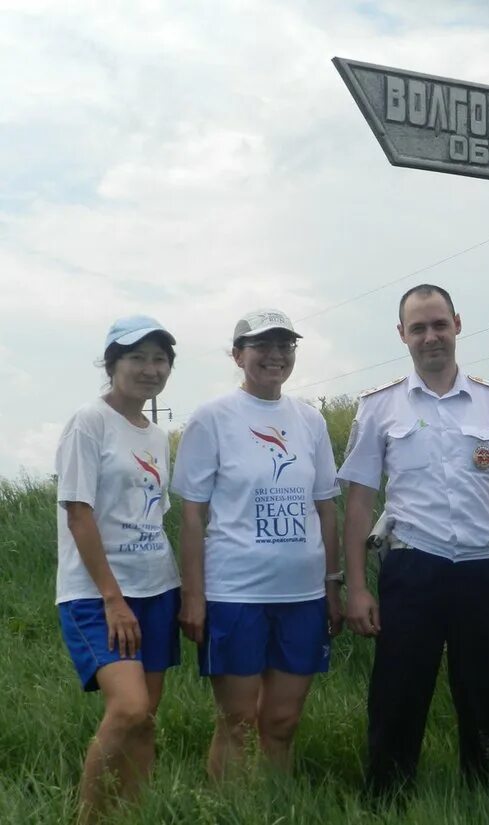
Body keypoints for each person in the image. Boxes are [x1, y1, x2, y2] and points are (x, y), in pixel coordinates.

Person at [339, 283, 489, 795]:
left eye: (439, 324)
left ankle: (486, 800)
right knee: (397, 697)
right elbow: (358, 504)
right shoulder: (379, 408)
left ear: (458, 324)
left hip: (483, 571)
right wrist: (355, 587)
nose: (431, 336)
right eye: (418, 328)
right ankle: (387, 802)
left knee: (485, 698)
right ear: (403, 335)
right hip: (413, 569)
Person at [172, 309, 343, 779]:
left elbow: (326, 506)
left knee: (282, 722)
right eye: (262, 346)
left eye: (284, 345)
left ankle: (273, 806)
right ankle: (227, 810)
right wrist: (194, 594)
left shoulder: (309, 421)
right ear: (238, 354)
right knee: (238, 721)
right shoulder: (212, 419)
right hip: (235, 594)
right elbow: (192, 514)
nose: (274, 355)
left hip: (302, 595)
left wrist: (333, 585)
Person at [55, 315, 181, 824]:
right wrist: (112, 597)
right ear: (111, 365)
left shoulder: (154, 434)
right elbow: (78, 511)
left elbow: (155, 515)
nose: (150, 369)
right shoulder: (89, 421)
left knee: (145, 720)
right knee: (127, 708)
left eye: (160, 359)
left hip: (157, 586)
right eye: (137, 358)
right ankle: (87, 819)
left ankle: (134, 816)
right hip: (98, 594)